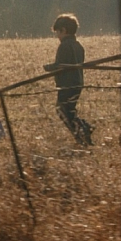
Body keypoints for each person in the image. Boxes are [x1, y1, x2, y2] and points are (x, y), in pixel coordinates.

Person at [43, 13, 93, 146]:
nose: (57, 36)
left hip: (67, 84)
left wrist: (48, 67)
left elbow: (61, 65)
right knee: (69, 110)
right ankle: (83, 130)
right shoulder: (78, 45)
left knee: (62, 110)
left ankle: (82, 132)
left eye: (58, 33)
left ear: (63, 30)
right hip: (78, 82)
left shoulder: (64, 46)